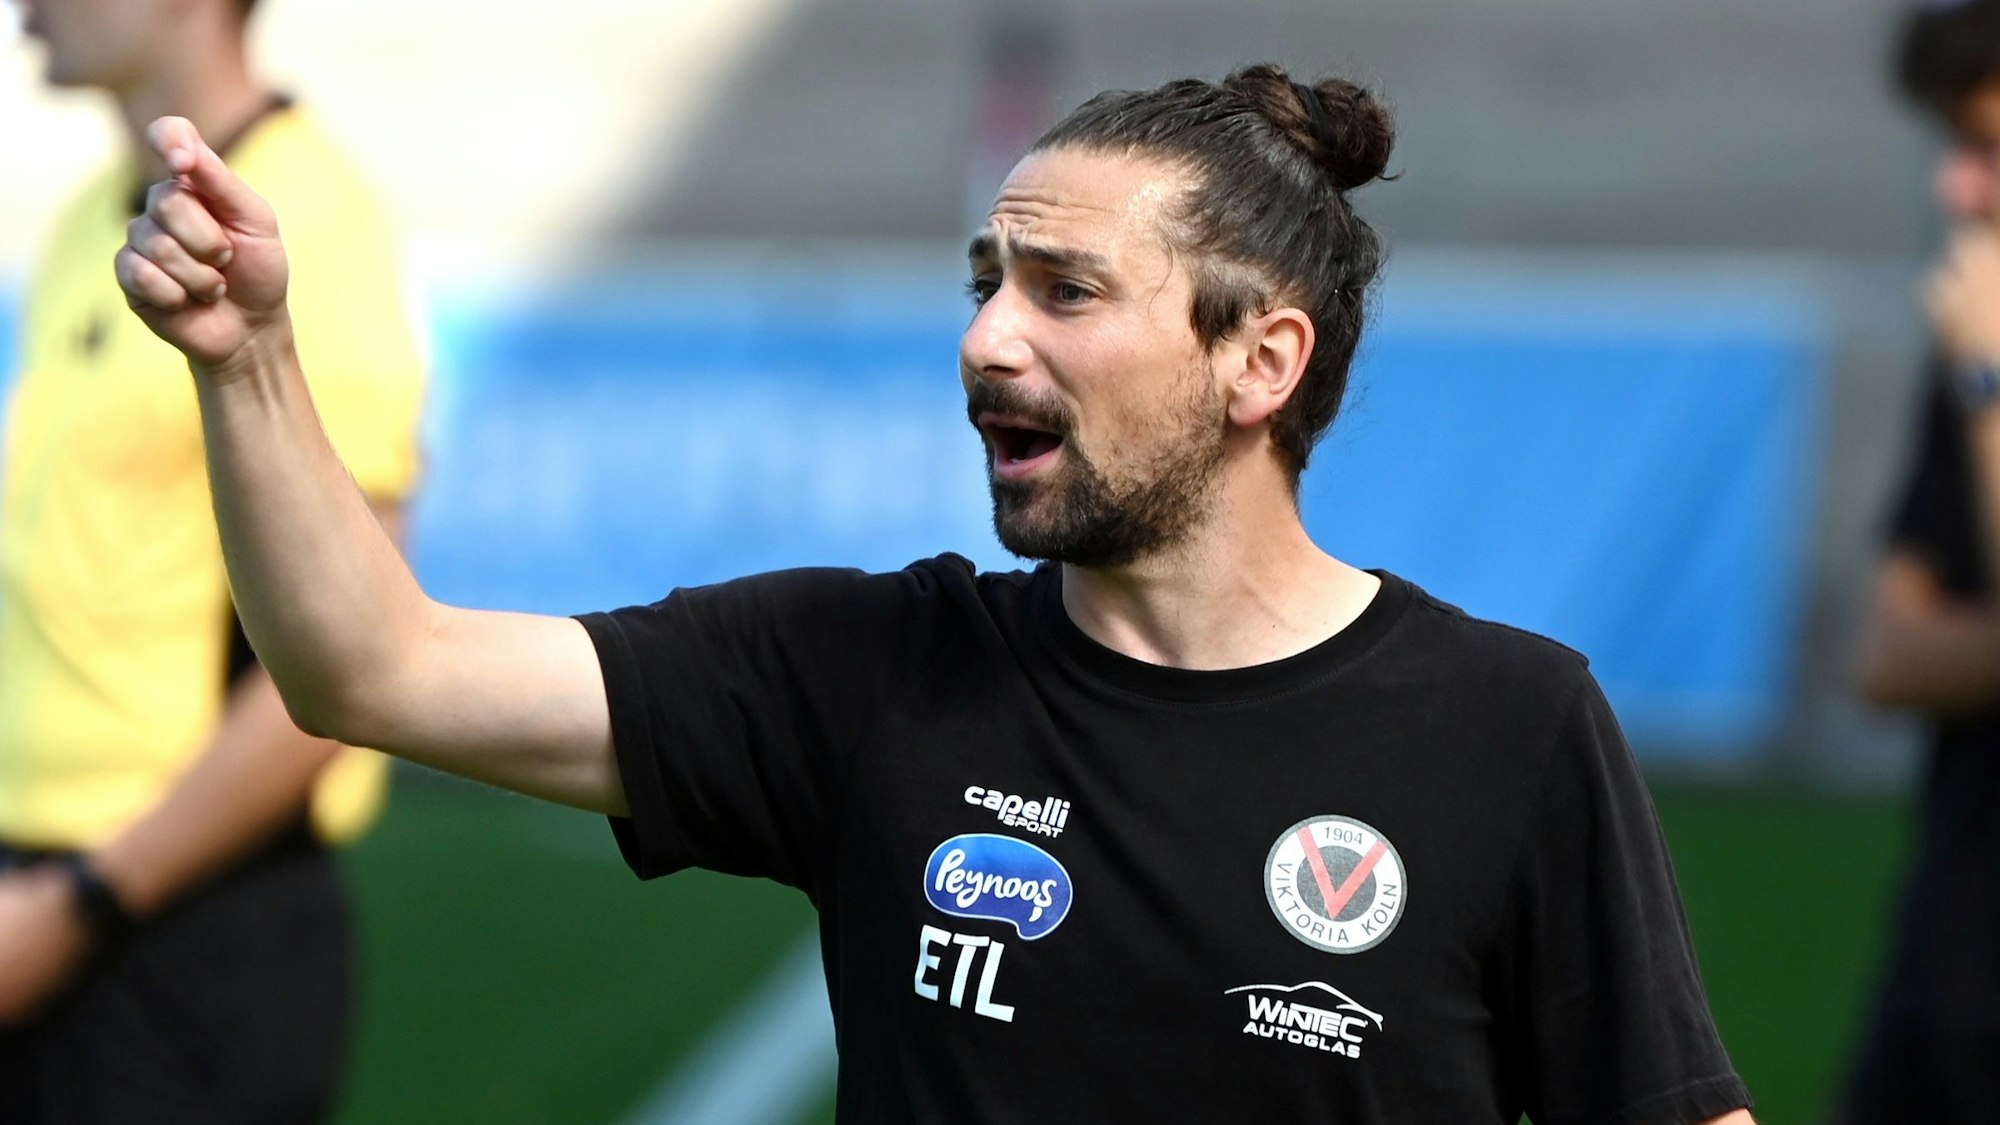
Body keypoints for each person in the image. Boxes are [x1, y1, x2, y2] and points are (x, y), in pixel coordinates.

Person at [115, 63, 1751, 1123]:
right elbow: (371, 670)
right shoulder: (863, 668)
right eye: (986, 282)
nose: (987, 338)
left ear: (1260, 360)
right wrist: (249, 360)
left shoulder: (1509, 727)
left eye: (1067, 290)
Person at [0, 0, 425, 1118]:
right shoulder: (88, 218)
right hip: (42, 904)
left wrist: (82, 904)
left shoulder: (306, 220)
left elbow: (352, 648)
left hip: (176, 929)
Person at [1844, 3, 2000, 1120]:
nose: (1956, 190)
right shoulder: (1967, 355)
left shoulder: (1981, 356)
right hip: (1952, 966)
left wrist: (1992, 384)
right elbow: (1888, 655)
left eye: (1989, 150)